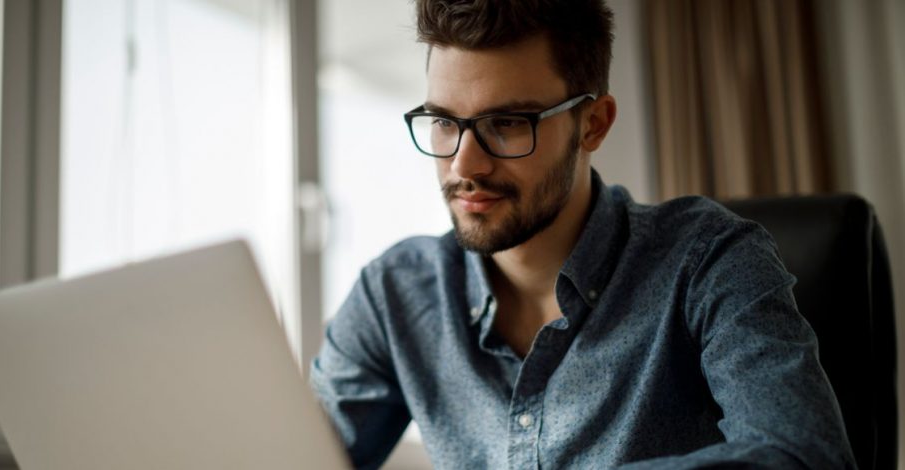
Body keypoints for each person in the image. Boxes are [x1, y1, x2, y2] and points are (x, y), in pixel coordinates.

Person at [311, 1, 855, 468]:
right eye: (445, 121)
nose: (463, 164)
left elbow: (802, 455)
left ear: (592, 123)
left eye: (507, 124)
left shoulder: (710, 259)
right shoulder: (394, 294)